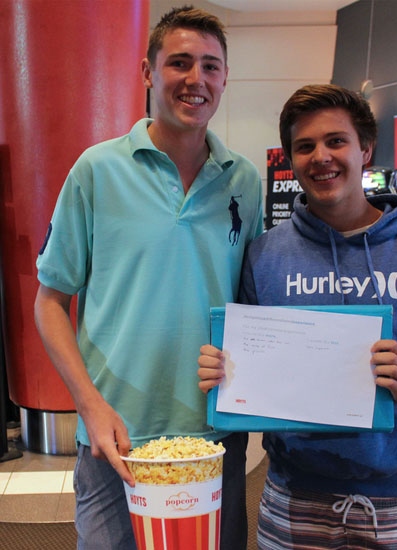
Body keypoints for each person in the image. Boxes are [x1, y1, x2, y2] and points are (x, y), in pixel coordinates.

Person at [198, 84, 397, 549]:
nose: (321, 157)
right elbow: (249, 361)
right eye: (304, 146)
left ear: (365, 149)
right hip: (293, 496)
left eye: (336, 141)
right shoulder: (265, 254)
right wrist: (226, 373)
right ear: (291, 159)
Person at [34, 6, 263, 550]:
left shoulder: (245, 182)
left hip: (215, 436)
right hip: (116, 436)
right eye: (179, 62)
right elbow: (50, 301)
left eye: (210, 66)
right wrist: (87, 404)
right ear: (147, 73)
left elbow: (253, 306)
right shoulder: (96, 170)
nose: (196, 79)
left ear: (225, 78)